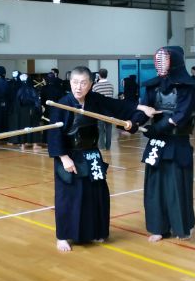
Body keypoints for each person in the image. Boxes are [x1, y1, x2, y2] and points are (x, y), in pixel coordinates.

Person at [47, 66, 157, 252]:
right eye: (75, 82)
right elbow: (53, 134)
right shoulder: (61, 104)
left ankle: (95, 231)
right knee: (69, 197)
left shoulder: (94, 99)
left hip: (91, 154)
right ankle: (63, 236)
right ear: (70, 83)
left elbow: (116, 105)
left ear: (91, 84)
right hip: (70, 155)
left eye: (83, 83)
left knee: (96, 194)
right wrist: (64, 158)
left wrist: (140, 107)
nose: (78, 87)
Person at [140, 47, 195, 242]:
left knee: (177, 186)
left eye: (165, 60)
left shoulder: (187, 87)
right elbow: (145, 109)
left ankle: (182, 227)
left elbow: (180, 115)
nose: (161, 64)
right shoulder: (153, 86)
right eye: (159, 60)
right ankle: (158, 227)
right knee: (155, 186)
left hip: (177, 142)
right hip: (157, 143)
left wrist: (158, 127)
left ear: (175, 62)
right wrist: (132, 123)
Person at [11, 73, 42, 150]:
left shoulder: (19, 90)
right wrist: (38, 110)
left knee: (23, 126)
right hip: (31, 109)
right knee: (34, 126)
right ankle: (35, 144)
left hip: (22, 110)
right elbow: (36, 101)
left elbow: (17, 101)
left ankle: (23, 145)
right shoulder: (32, 89)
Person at [91, 68, 115, 150]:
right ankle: (108, 146)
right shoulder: (111, 86)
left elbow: (93, 99)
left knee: (100, 129)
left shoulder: (95, 86)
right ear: (106, 75)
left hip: (99, 110)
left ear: (99, 75)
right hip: (109, 111)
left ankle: (102, 147)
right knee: (109, 129)